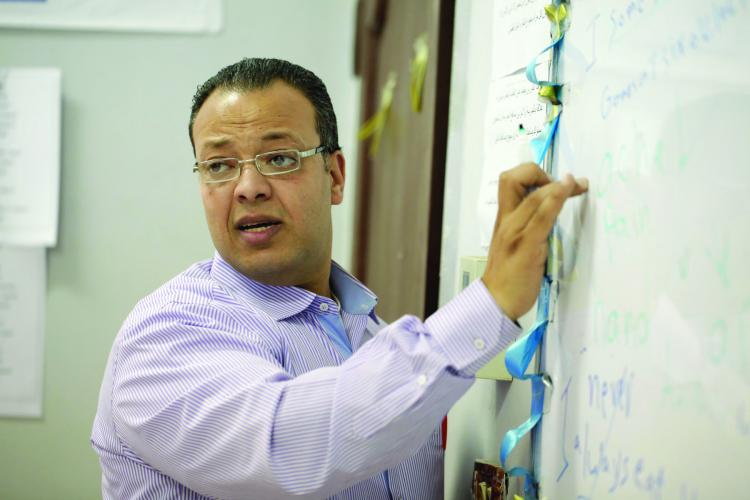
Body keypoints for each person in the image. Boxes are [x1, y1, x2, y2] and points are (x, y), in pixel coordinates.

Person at [91, 58, 587, 499]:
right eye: (219, 166)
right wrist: (490, 301)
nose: (248, 188)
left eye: (279, 158)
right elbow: (291, 446)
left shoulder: (371, 335)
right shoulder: (165, 333)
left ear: (334, 176)